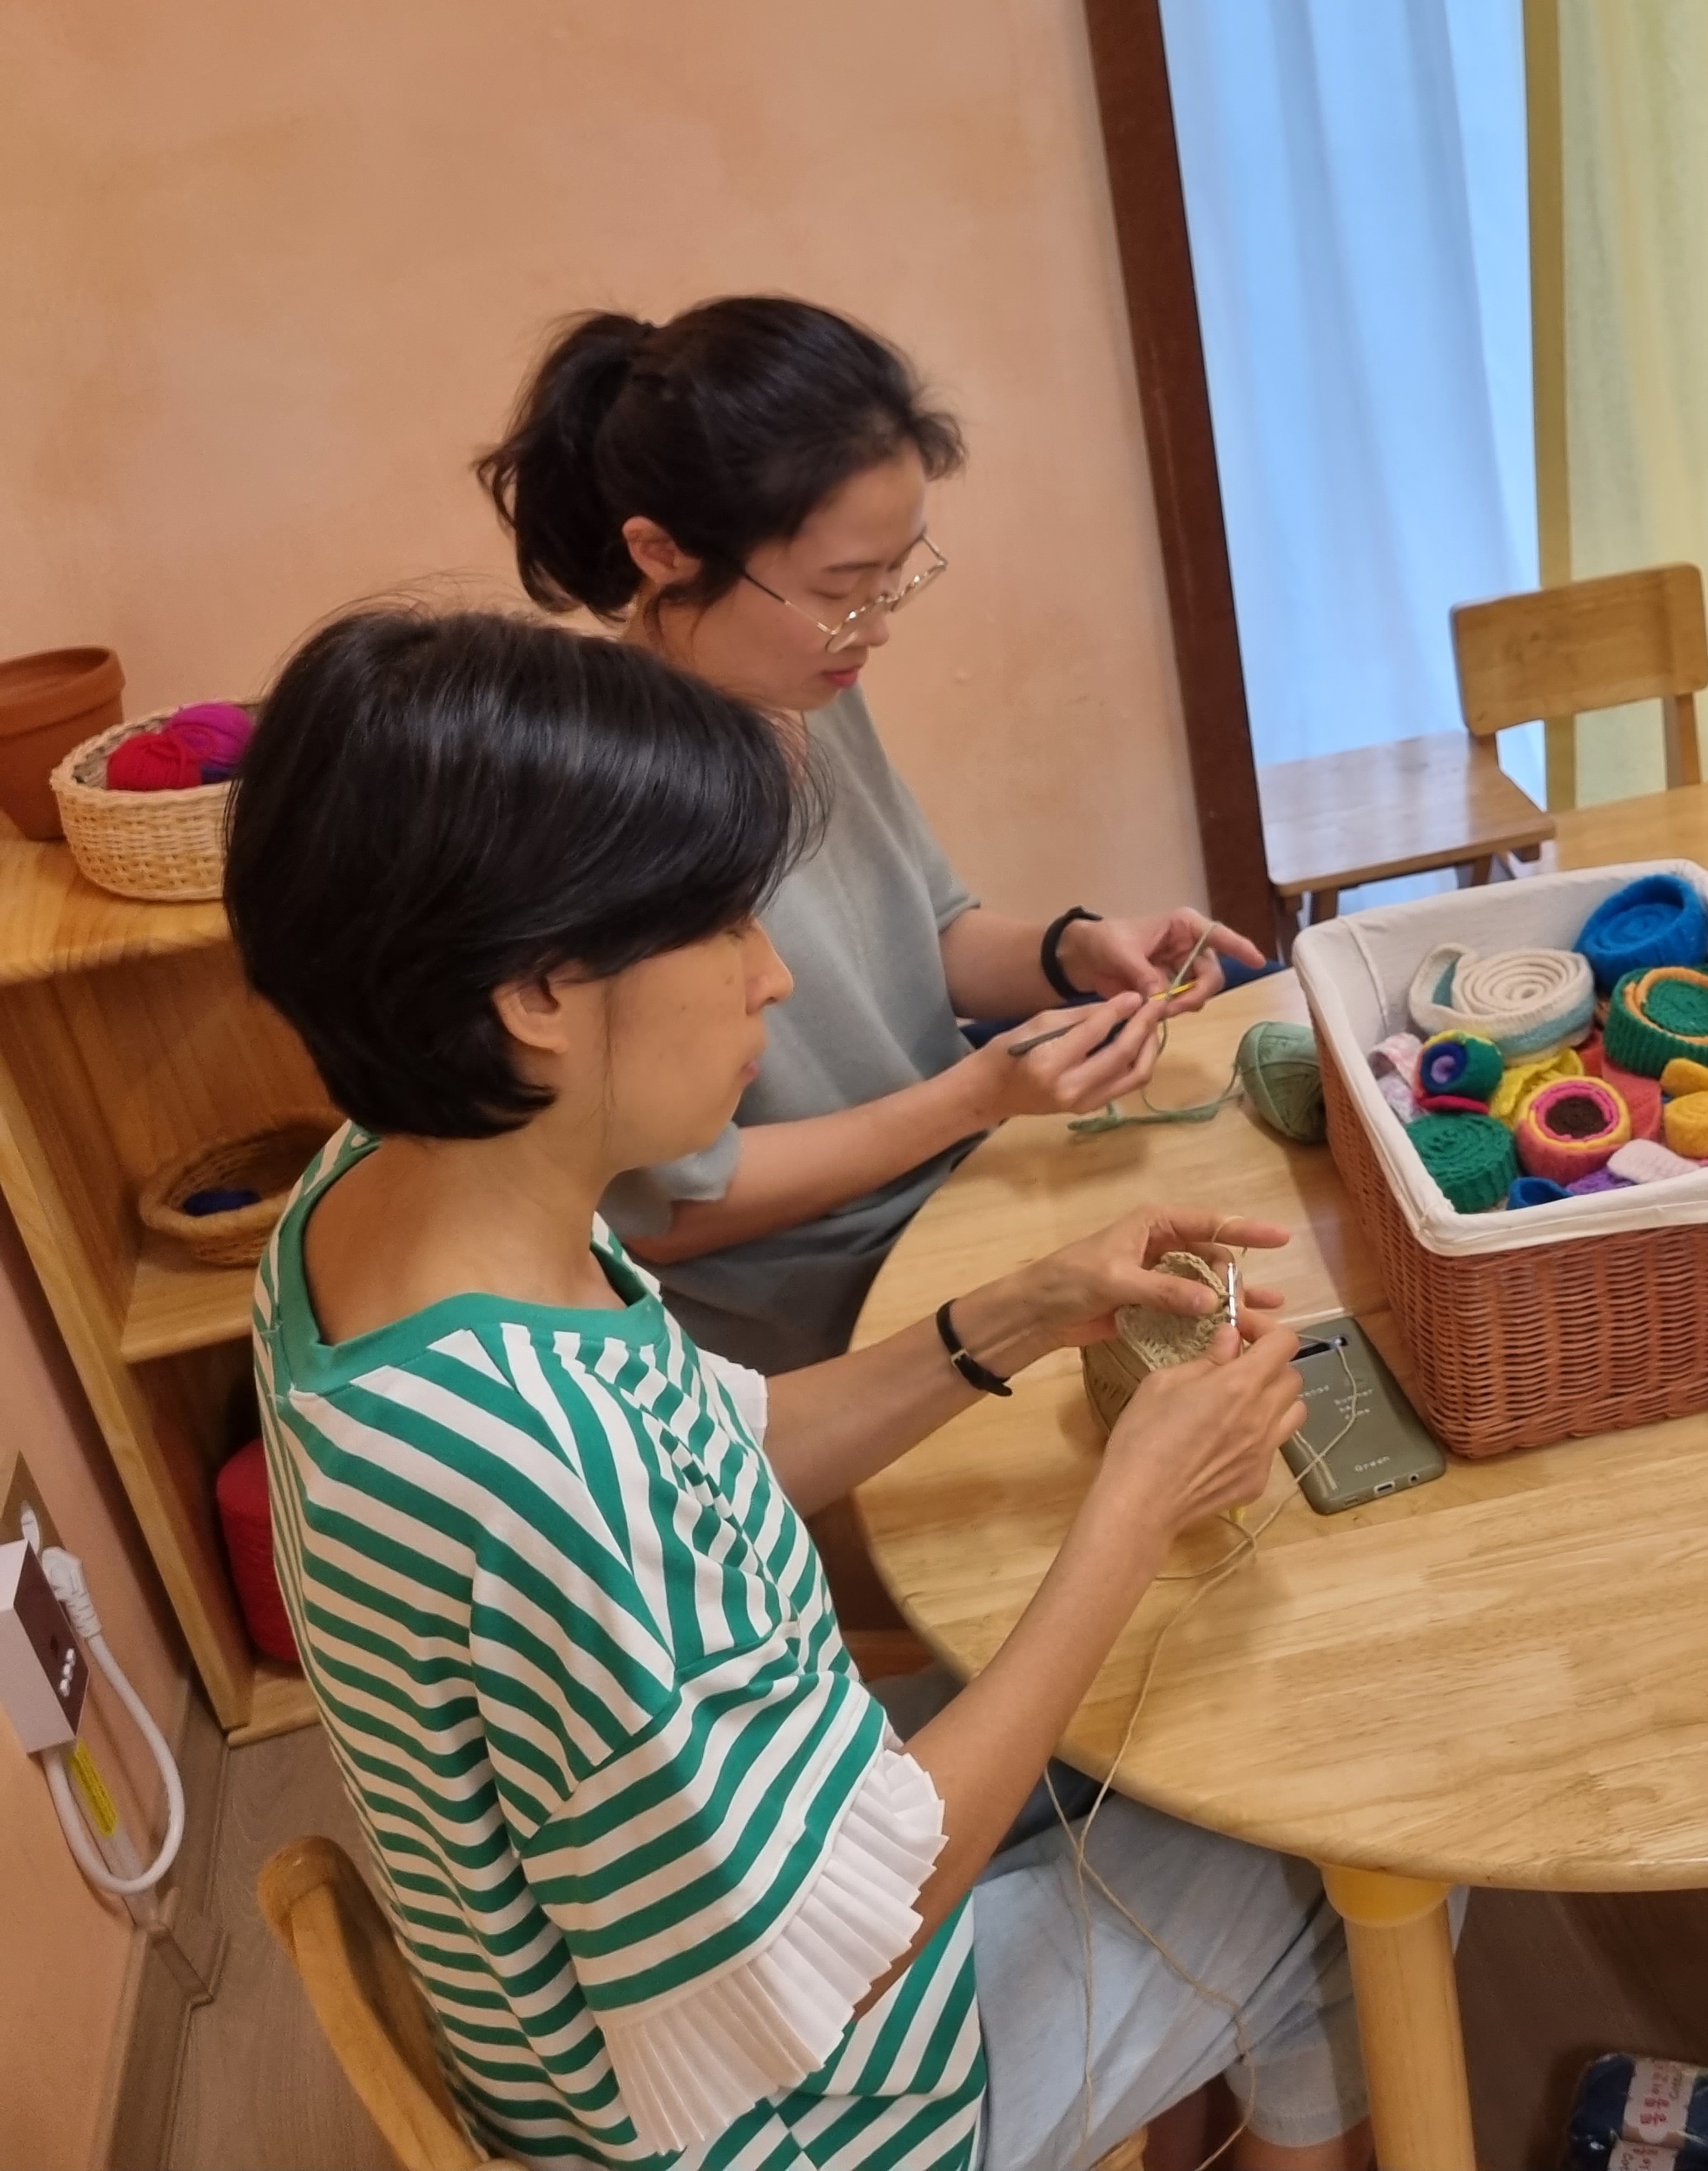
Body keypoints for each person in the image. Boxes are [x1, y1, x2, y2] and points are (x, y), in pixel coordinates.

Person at [229, 606, 1366, 2171]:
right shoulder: (540, 1467)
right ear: (537, 989)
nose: (773, 976)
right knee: (1323, 1850)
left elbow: (708, 1450)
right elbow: (846, 1938)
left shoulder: (377, 1194)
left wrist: (1020, 1312)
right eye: (721, 926)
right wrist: (1132, 1507)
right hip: (787, 2121)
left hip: (623, 1988)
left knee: (1177, 1733)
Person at [479, 296, 1263, 1373]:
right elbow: (673, 1211)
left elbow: (928, 934)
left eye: (897, 576)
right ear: (660, 553)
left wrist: (1073, 951)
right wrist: (975, 1096)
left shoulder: (807, 689)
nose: (879, 626)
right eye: (842, 590)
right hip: (823, 1313)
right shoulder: (606, 807)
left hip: (957, 1185)